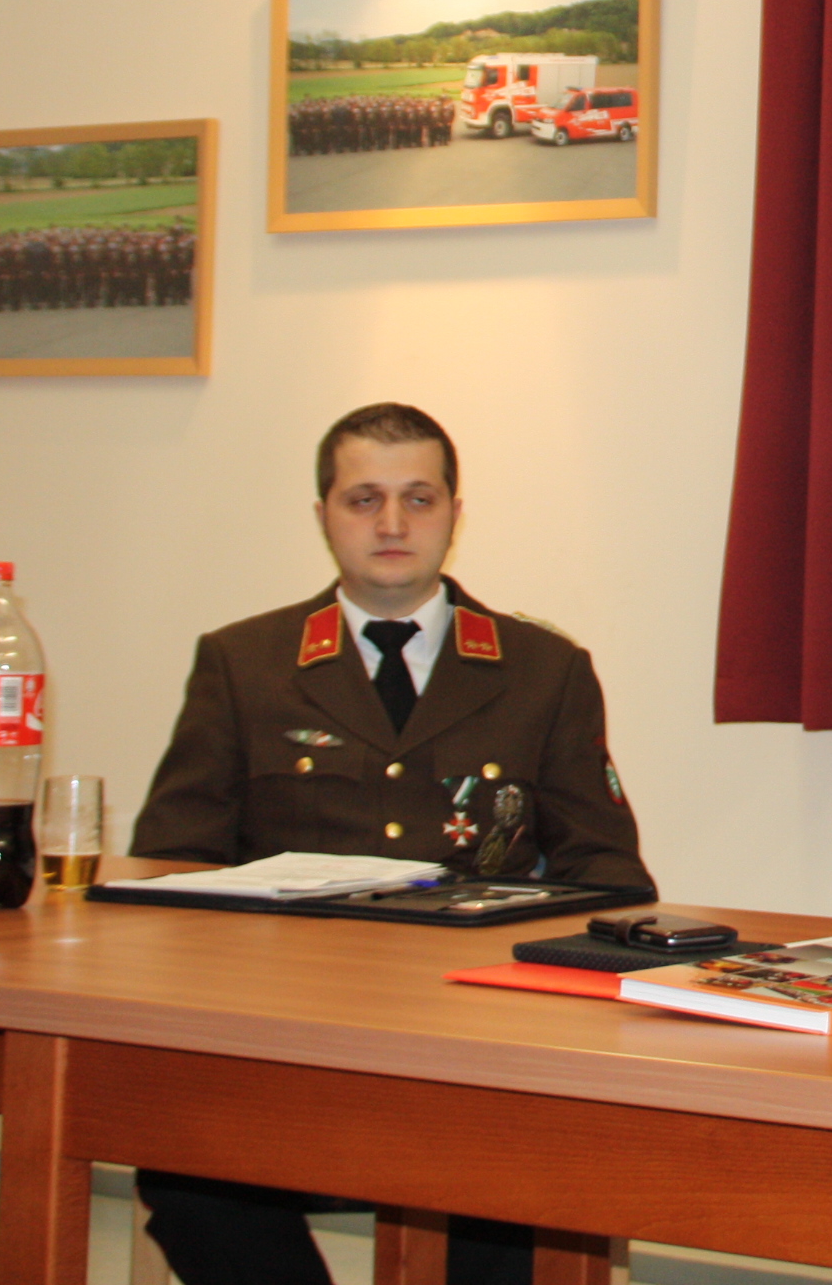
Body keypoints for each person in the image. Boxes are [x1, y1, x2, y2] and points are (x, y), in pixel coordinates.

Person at [128, 402, 651, 1285]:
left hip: (477, 1040)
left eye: (419, 498)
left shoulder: (543, 670)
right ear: (324, 515)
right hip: (284, 1037)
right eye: (364, 499)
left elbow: (609, 872)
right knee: (190, 1179)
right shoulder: (244, 663)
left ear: (455, 512)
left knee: (517, 1199)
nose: (393, 524)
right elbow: (173, 861)